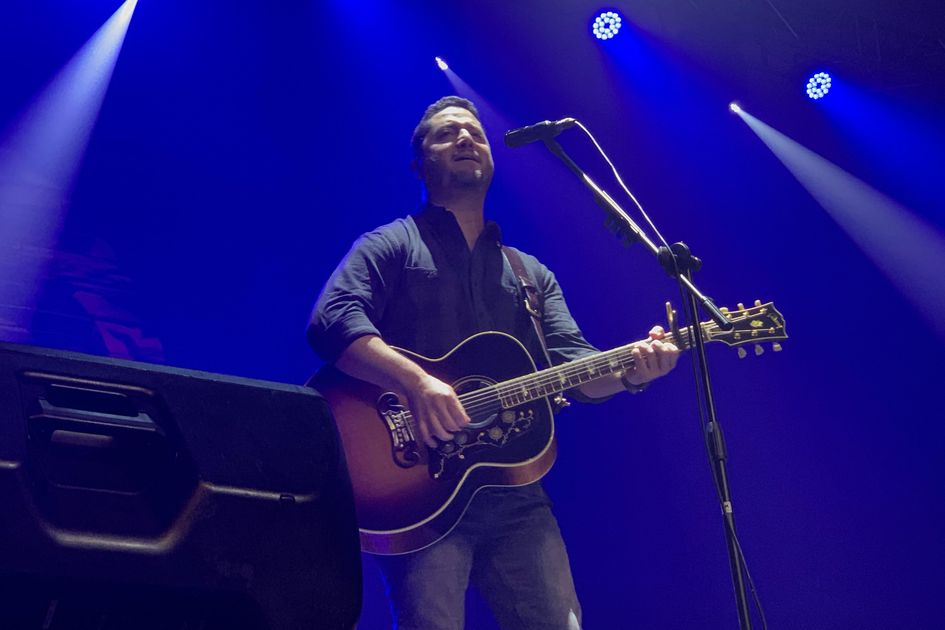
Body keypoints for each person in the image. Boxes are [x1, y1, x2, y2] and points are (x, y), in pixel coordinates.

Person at [307, 96, 679, 630]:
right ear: (420, 162)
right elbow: (332, 319)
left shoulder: (529, 273)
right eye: (447, 133)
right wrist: (417, 383)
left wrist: (630, 373)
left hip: (515, 492)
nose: (465, 138)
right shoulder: (391, 244)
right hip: (417, 486)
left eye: (475, 133)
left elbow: (576, 369)